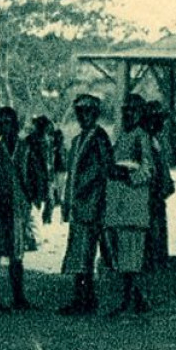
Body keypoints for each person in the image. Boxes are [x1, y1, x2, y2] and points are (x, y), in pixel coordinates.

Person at [58, 93, 114, 316]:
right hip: (78, 206)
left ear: (95, 114)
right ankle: (84, 298)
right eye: (80, 113)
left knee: (85, 254)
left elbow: (104, 169)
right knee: (79, 254)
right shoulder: (78, 140)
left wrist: (90, 192)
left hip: (92, 204)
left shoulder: (99, 138)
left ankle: (85, 300)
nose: (83, 116)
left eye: (87, 112)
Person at [106, 95, 156, 314]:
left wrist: (127, 175)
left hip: (134, 207)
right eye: (126, 110)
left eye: (133, 111)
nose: (128, 114)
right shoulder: (123, 136)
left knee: (131, 257)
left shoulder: (141, 137)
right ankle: (137, 298)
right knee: (124, 257)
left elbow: (147, 170)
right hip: (120, 206)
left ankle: (129, 301)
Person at [0, 106, 32, 311]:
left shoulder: (25, 148)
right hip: (0, 208)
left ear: (15, 124)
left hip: (19, 207)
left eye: (7, 122)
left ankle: (18, 297)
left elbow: (33, 175)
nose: (4, 127)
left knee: (17, 254)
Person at [142, 101, 174, 273]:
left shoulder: (156, 140)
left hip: (157, 196)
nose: (162, 124)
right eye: (160, 119)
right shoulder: (145, 140)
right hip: (150, 197)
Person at [23, 115, 53, 226]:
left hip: (41, 174)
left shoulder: (45, 140)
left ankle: (44, 219)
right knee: (38, 199)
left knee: (45, 199)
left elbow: (49, 159)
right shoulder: (32, 140)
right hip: (36, 173)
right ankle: (40, 220)